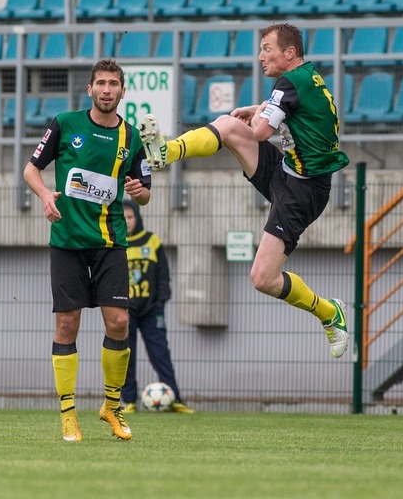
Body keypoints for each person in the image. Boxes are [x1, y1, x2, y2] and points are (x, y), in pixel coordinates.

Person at [138, 23, 350, 358]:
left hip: (303, 192)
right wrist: (259, 108)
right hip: (288, 173)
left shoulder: (290, 82)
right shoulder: (304, 78)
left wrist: (260, 113)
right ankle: (166, 151)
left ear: (289, 52)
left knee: (263, 278)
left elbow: (262, 132)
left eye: (267, 49)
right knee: (228, 125)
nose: (261, 56)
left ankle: (328, 311)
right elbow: (294, 109)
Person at [24, 58, 151, 442]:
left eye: (113, 84)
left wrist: (139, 192)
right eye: (101, 83)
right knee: (67, 324)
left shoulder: (132, 137)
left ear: (123, 91)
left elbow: (144, 193)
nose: (107, 89)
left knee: (119, 322)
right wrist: (46, 195)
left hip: (110, 242)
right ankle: (68, 415)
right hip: (67, 241)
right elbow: (31, 169)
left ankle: (112, 406)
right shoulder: (66, 124)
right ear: (90, 89)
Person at [120, 199, 194, 414]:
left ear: (137, 217)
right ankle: (129, 401)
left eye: (130, 216)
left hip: (151, 310)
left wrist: (160, 303)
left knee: (160, 353)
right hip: (125, 311)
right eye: (123, 217)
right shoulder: (116, 243)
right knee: (126, 355)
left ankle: (175, 398)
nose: (127, 220)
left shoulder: (151, 241)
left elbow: (163, 276)